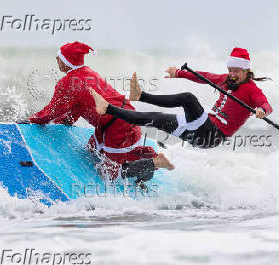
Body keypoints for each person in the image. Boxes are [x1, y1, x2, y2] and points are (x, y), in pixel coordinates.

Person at [28, 42, 174, 186]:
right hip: (124, 115)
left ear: (67, 61)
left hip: (116, 125)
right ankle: (142, 156)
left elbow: (52, 110)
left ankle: (152, 162)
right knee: (92, 150)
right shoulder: (88, 72)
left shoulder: (67, 82)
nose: (57, 60)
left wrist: (32, 120)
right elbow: (79, 105)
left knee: (109, 175)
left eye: (59, 57)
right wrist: (65, 121)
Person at [89, 47, 273, 148]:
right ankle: (107, 108)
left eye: (236, 71)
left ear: (246, 70)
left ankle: (141, 95)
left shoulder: (251, 89)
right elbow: (205, 77)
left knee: (187, 98)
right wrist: (178, 73)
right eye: (230, 70)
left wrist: (262, 110)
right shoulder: (225, 80)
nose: (232, 74)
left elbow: (265, 103)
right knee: (153, 118)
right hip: (198, 131)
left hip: (212, 135)